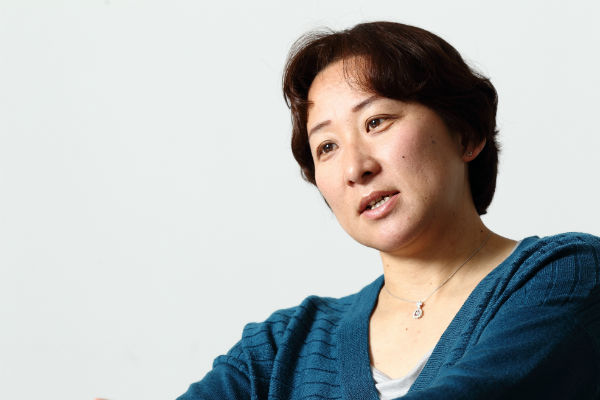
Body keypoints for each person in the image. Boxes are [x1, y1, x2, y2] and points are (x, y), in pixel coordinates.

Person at [177, 21, 600, 399]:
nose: (355, 168)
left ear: (466, 134)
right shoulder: (279, 347)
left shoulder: (568, 277)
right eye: (327, 147)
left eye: (376, 122)